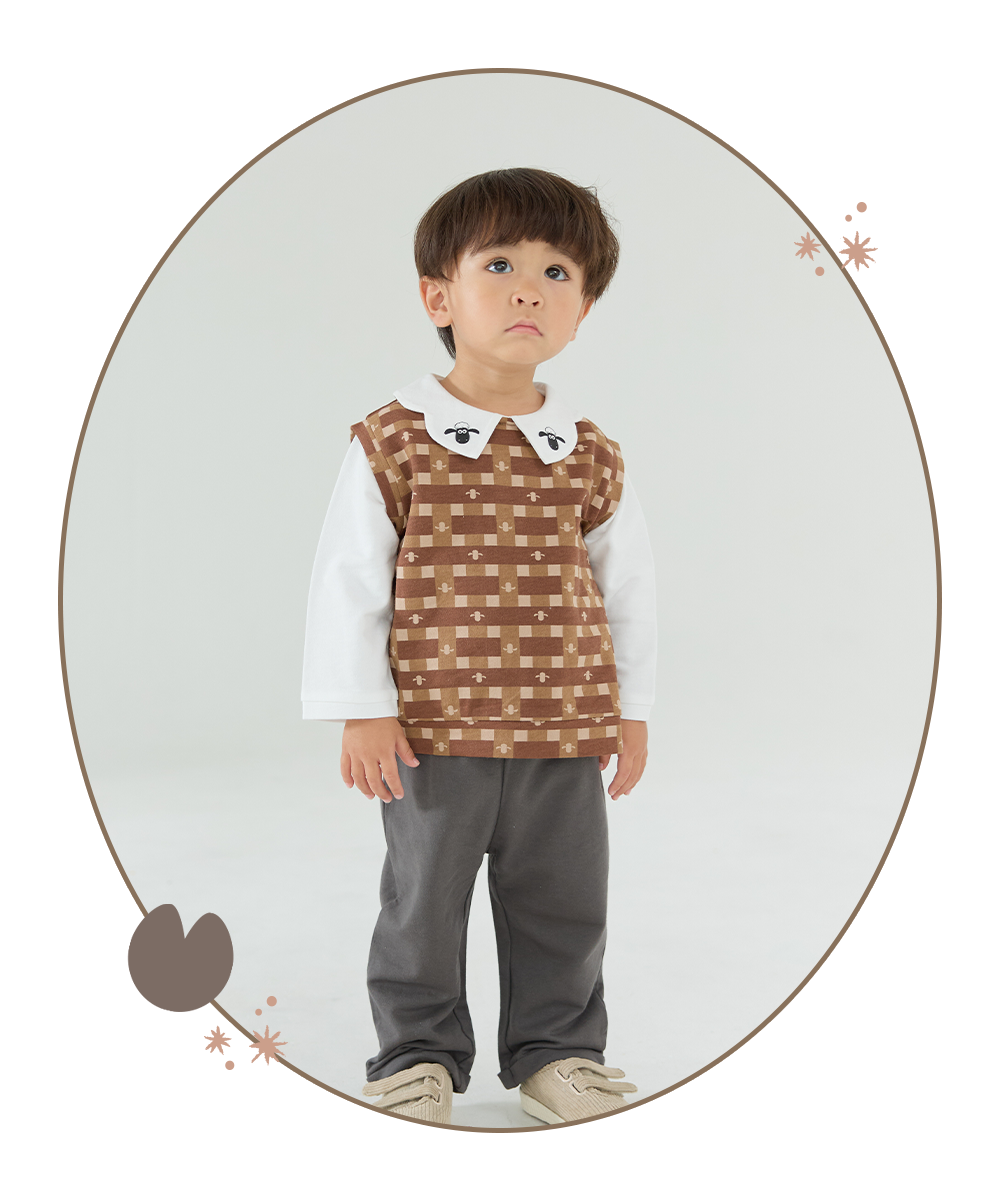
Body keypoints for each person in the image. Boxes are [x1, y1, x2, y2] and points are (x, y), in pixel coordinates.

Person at [301, 167, 657, 1126]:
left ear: (583, 311)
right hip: (432, 733)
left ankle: (558, 1052)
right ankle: (415, 1056)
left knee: (564, 903)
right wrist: (361, 709)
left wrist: (630, 712)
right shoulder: (395, 440)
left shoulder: (589, 454)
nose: (529, 289)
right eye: (499, 265)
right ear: (438, 297)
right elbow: (349, 579)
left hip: (563, 732)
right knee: (424, 901)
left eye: (557, 273)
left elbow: (627, 592)